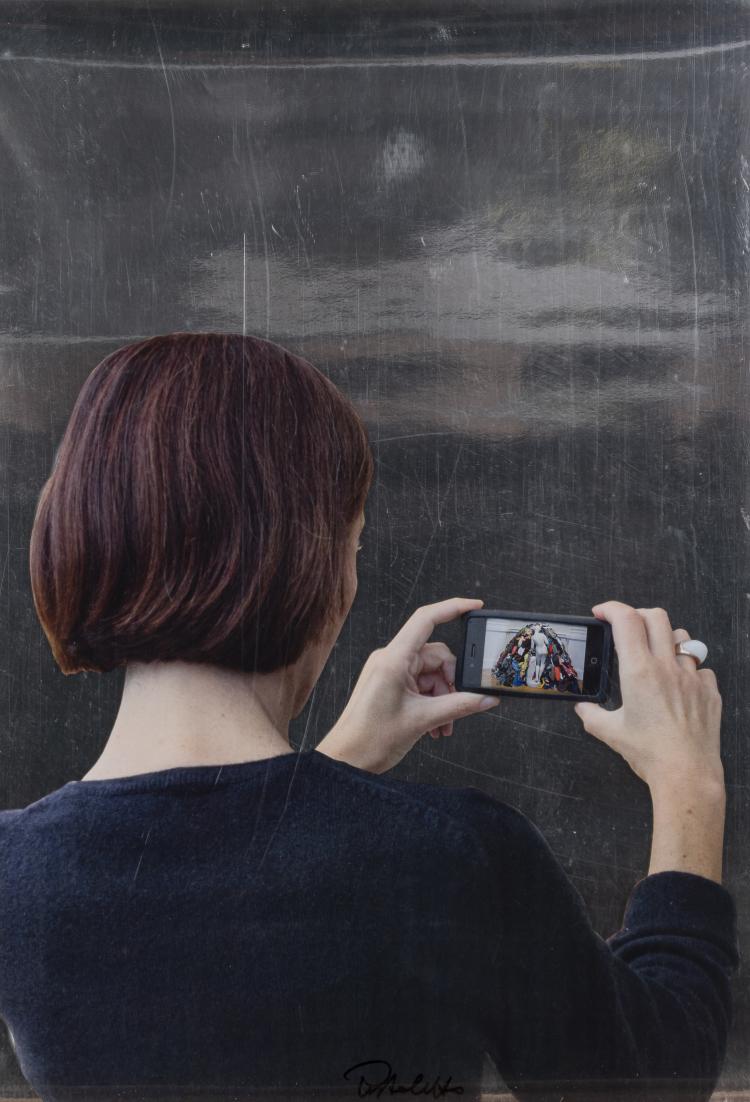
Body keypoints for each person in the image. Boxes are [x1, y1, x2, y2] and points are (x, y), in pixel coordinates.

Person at [0, 332, 738, 1102]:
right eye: (350, 544)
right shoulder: (453, 856)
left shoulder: (16, 876)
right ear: (315, 567)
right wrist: (690, 781)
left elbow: (219, 939)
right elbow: (651, 1082)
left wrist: (338, 765)